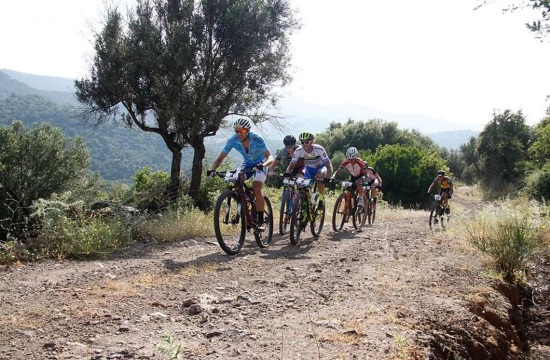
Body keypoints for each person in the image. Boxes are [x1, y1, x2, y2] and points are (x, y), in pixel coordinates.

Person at [208, 117, 274, 230]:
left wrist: (263, 165)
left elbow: (270, 157)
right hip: (247, 163)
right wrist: (212, 169)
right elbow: (220, 159)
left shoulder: (256, 139)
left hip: (261, 163)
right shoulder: (233, 140)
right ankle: (245, 205)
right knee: (236, 181)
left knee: (256, 188)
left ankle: (260, 220)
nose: (239, 133)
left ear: (248, 130)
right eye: (236, 131)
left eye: (242, 131)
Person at [285, 132, 333, 210]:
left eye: (307, 142)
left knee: (319, 177)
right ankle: (307, 204)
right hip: (309, 169)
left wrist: (328, 177)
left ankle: (321, 199)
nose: (304, 144)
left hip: (321, 167)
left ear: (312, 142)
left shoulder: (319, 149)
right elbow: (291, 166)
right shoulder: (298, 151)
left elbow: (328, 164)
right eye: (302, 142)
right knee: (302, 186)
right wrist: (287, 174)